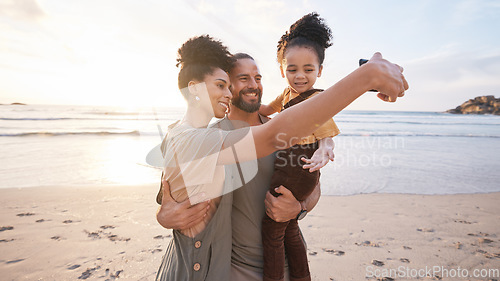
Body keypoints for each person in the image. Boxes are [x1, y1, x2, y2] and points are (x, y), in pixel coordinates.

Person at [156, 32, 408, 280]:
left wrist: (299, 208)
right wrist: (164, 216)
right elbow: (174, 188)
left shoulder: (292, 128)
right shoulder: (214, 136)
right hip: (233, 267)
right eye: (242, 78)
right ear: (228, 85)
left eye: (257, 77)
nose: (253, 85)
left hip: (285, 261)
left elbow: (313, 182)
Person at [259, 13, 338, 281]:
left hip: (301, 168)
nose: (300, 76)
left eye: (308, 69)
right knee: (289, 229)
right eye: (292, 69)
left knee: (271, 232)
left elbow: (327, 134)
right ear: (282, 70)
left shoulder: (319, 99)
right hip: (288, 165)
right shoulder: (285, 95)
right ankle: (301, 276)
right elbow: (265, 111)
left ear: (320, 71)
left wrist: (324, 149)